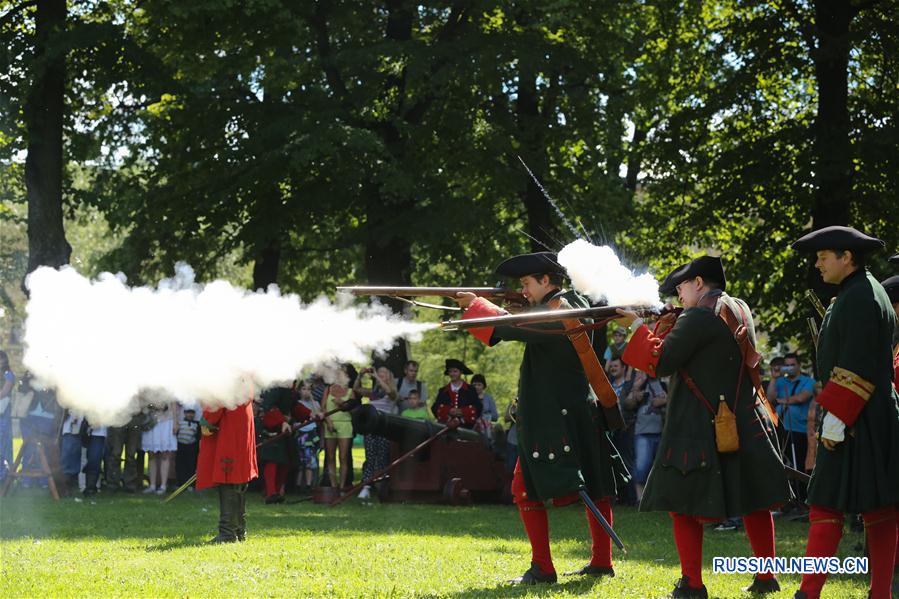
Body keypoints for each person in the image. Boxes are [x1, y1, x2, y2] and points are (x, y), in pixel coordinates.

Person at [616, 255, 788, 597]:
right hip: (741, 417)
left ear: (698, 283)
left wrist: (636, 326)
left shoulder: (697, 317)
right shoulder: (737, 307)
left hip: (696, 423)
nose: (679, 295)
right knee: (755, 502)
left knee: (682, 505)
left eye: (682, 287)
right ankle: (766, 577)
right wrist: (669, 321)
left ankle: (692, 584)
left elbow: (661, 362)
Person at [455, 251, 627, 585]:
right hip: (572, 412)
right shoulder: (565, 305)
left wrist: (477, 306)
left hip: (555, 417)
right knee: (596, 483)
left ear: (546, 281)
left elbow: (512, 328)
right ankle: (600, 561)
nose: (524, 290)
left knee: (526, 487)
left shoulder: (562, 311)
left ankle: (544, 568)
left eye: (527, 283)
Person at [790, 226, 899, 599]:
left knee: (826, 503)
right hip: (871, 413)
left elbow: (856, 367)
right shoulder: (865, 291)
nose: (818, 264)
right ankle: (879, 594)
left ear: (846, 257)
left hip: (855, 414)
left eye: (823, 256)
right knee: (879, 507)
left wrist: (836, 419)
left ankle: (808, 593)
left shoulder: (858, 297)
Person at [197, 398, 258, 543]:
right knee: (238, 480)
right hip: (239, 425)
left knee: (229, 479)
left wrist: (207, 421)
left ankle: (228, 533)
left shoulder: (229, 376)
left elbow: (218, 399)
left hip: (231, 429)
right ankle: (239, 531)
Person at [771, 352, 815, 506]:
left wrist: (782, 400)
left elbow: (802, 398)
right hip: (782, 430)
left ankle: (804, 498)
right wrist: (774, 378)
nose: (789, 368)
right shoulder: (780, 381)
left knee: (801, 465)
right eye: (786, 365)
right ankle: (789, 500)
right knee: (785, 465)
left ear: (798, 366)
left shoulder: (808, 381)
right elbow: (770, 398)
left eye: (792, 365)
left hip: (800, 430)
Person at [355, 366, 398, 500]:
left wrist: (377, 377)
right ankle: (366, 486)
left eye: (383, 373)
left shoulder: (392, 391)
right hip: (371, 427)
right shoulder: (373, 393)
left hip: (385, 428)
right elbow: (356, 389)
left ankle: (381, 486)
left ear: (389, 376)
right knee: (370, 456)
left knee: (382, 457)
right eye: (379, 373)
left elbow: (390, 392)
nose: (380, 375)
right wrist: (360, 376)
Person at [625, 370, 667, 503]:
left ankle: (659, 499)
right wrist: (636, 388)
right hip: (642, 432)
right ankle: (640, 499)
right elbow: (627, 404)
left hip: (662, 431)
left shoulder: (663, 384)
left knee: (662, 467)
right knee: (642, 465)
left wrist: (664, 400)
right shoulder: (637, 384)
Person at [257, 386, 304, 504]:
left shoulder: (289, 389)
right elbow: (269, 406)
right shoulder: (274, 387)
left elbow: (293, 406)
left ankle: (277, 492)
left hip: (284, 429)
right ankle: (271, 493)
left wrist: (310, 414)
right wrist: (282, 421)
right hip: (270, 428)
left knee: (285, 462)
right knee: (271, 461)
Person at [321, 365, 356, 490]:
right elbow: (323, 408)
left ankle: (342, 486)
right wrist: (329, 422)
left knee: (343, 456)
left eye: (342, 373)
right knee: (330, 456)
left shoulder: (351, 392)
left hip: (345, 424)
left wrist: (341, 403)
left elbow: (353, 410)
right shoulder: (328, 389)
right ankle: (333, 485)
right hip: (329, 424)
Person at [431, 359, 481, 428]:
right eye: (450, 371)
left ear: (461, 372)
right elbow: (435, 408)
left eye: (455, 371)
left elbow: (478, 407)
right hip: (446, 428)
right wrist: (449, 411)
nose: (452, 374)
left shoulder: (470, 390)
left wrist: (462, 411)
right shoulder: (442, 391)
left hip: (467, 429)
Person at [141, 402, 178, 494]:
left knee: (165, 454)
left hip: (167, 421)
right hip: (151, 421)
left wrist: (175, 422)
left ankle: (163, 486)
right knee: (151, 454)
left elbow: (173, 404)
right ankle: (152, 485)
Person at [295, 380, 322, 492]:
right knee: (301, 462)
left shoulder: (315, 404)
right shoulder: (297, 403)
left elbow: (318, 416)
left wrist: (312, 399)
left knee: (310, 460)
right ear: (299, 390)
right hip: (300, 434)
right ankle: (298, 486)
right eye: (304, 389)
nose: (306, 391)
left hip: (311, 434)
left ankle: (309, 486)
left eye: (309, 389)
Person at [175, 407, 200, 490]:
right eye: (188, 412)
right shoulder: (180, 423)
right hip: (180, 447)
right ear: (184, 413)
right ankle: (180, 483)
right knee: (180, 466)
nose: (190, 415)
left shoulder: (196, 424)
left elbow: (198, 436)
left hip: (191, 448)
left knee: (191, 466)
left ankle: (190, 484)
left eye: (192, 413)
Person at [0, 351, 15, 482]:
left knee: (3, 445)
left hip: (3, 415)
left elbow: (4, 392)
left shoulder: (8, 375)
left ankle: (4, 475)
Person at [471, 374, 498, 440]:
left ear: (483, 386)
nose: (476, 387)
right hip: (471, 430)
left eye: (479, 385)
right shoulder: (468, 398)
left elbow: (495, 416)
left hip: (486, 431)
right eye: (474, 385)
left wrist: (485, 417)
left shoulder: (489, 398)